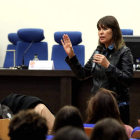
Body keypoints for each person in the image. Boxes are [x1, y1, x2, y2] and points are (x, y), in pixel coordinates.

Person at [61, 15, 133, 124]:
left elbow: (128, 80)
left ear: (114, 31)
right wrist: (71, 55)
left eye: (105, 29)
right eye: (99, 29)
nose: (101, 32)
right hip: (97, 106)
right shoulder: (98, 51)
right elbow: (82, 74)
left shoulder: (124, 52)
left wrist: (108, 66)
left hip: (116, 107)